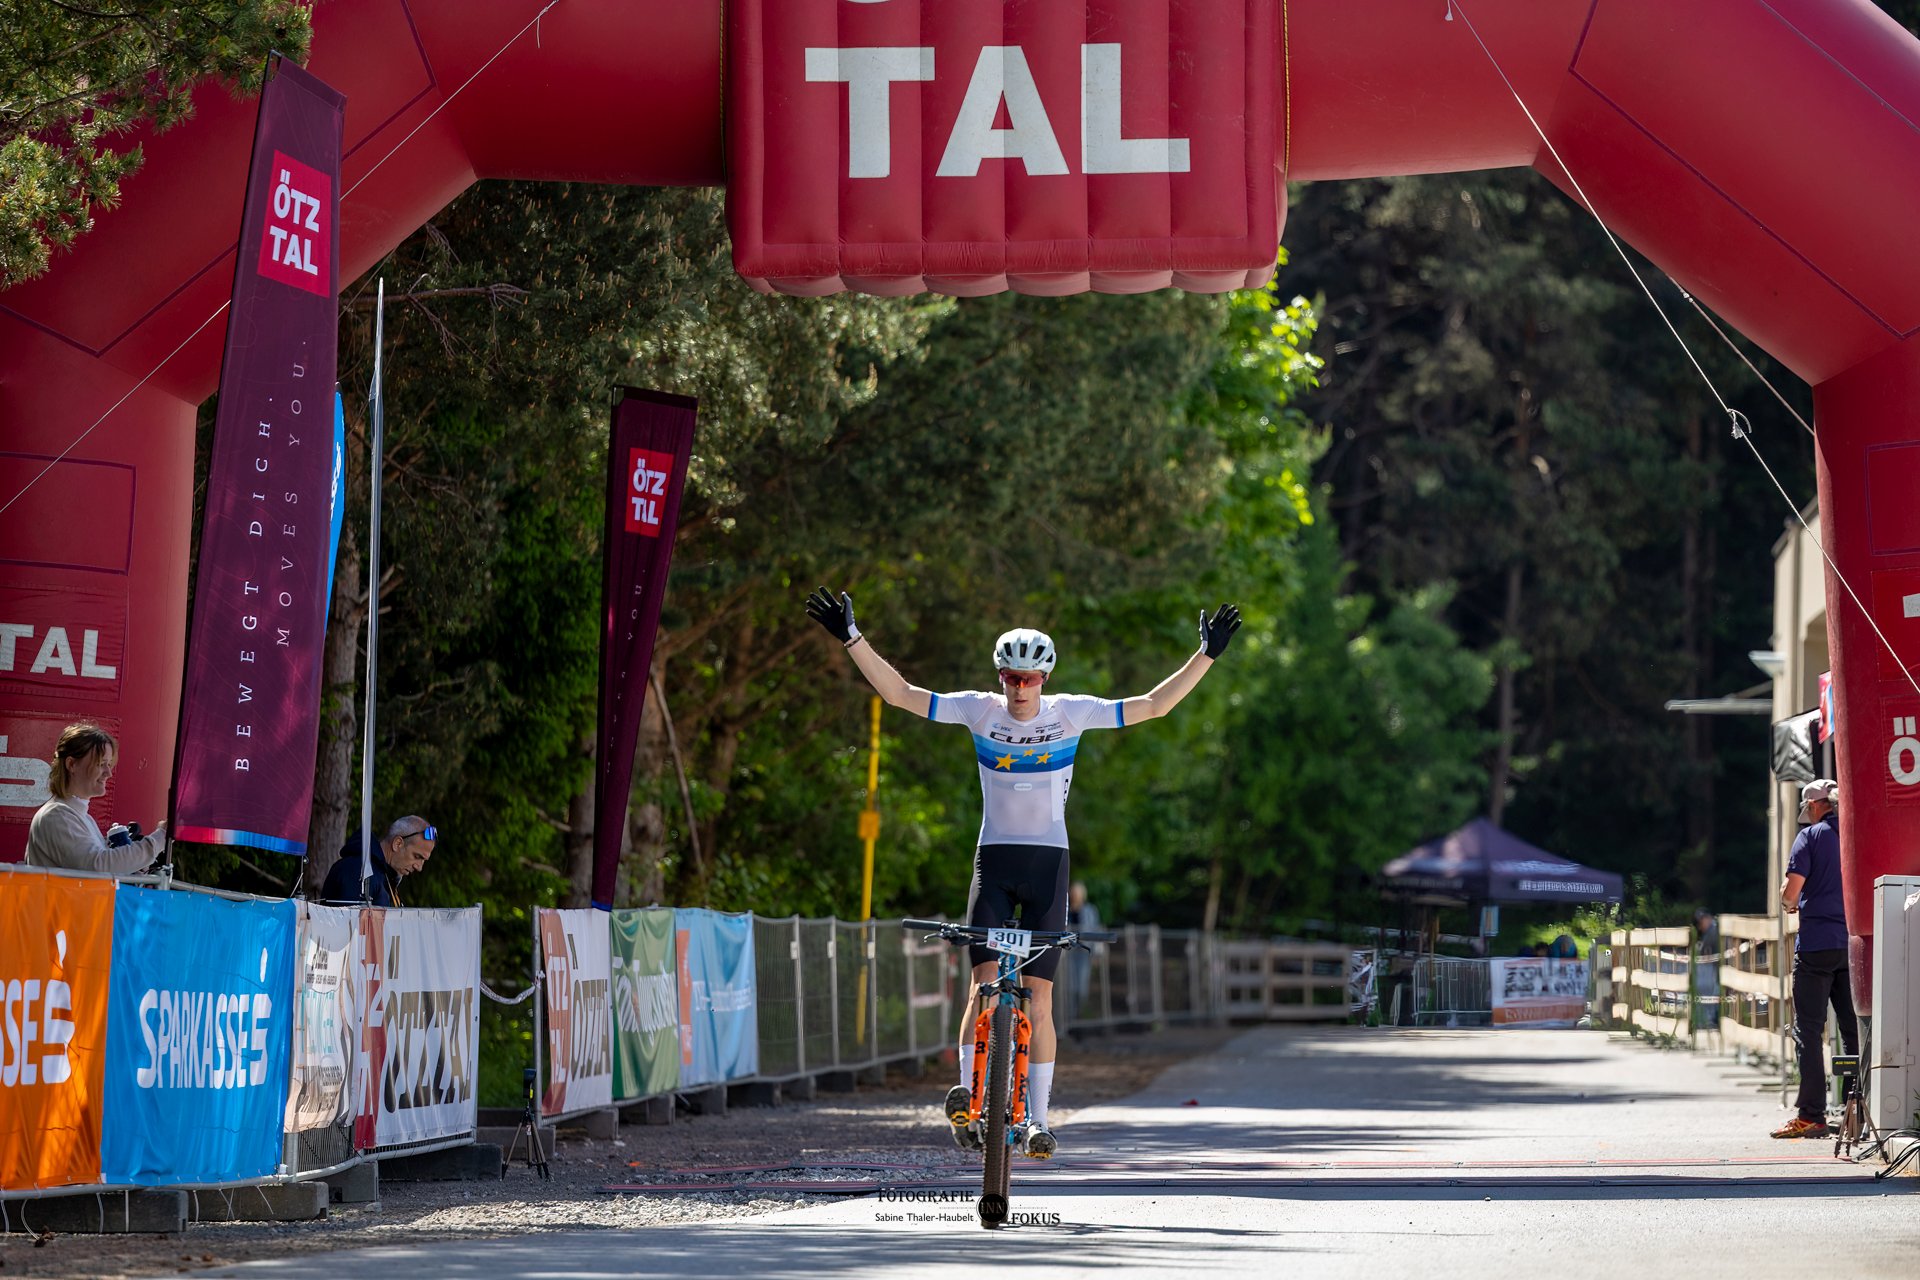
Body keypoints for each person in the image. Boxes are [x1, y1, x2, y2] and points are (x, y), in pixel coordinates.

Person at [804, 586, 1240, 1160]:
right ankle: (967, 1094)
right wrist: (852, 638)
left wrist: (1205, 655)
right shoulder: (978, 709)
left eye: (1029, 679)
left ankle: (1038, 1119)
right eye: (1010, 677)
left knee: (1039, 999)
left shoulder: (1071, 713)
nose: (1019, 688)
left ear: (1045, 679)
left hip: (1048, 865)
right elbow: (901, 695)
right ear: (1000, 676)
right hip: (994, 861)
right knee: (983, 987)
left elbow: (1153, 705)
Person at [1772, 778, 1857, 1139]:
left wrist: (1787, 900)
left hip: (1816, 946)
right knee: (1854, 1030)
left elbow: (1792, 892)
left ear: (1815, 806)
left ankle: (1812, 1115)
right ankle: (1857, 1110)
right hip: (1854, 943)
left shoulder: (1809, 837)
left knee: (1808, 1029)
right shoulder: (1855, 832)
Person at [25, 723, 167, 875]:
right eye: (100, 764)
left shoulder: (81, 817)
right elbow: (98, 866)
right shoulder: (55, 815)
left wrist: (134, 869)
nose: (108, 773)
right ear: (71, 764)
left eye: (109, 764)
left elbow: (103, 867)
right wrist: (160, 837)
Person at [319, 816, 437, 907]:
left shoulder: (383, 876)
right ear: (397, 844)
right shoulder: (360, 871)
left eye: (424, 860)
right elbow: (351, 928)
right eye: (417, 856)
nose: (419, 867)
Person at [1065, 880, 1104, 1020]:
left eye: (1078, 893)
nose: (1075, 896)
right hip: (1068, 953)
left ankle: (1079, 1014)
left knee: (1082, 986)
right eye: (1073, 893)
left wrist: (1098, 952)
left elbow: (1096, 929)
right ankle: (1069, 1015)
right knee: (1069, 985)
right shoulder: (1066, 910)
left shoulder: (1090, 910)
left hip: (1084, 952)